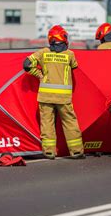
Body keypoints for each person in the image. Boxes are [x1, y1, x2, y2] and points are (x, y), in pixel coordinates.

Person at [23, 25, 84, 160]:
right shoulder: (69, 54)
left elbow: (26, 64)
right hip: (64, 98)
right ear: (64, 38)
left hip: (45, 96)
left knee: (47, 124)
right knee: (70, 123)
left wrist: (39, 75)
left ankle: (49, 152)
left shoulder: (43, 52)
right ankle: (76, 151)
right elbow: (74, 67)